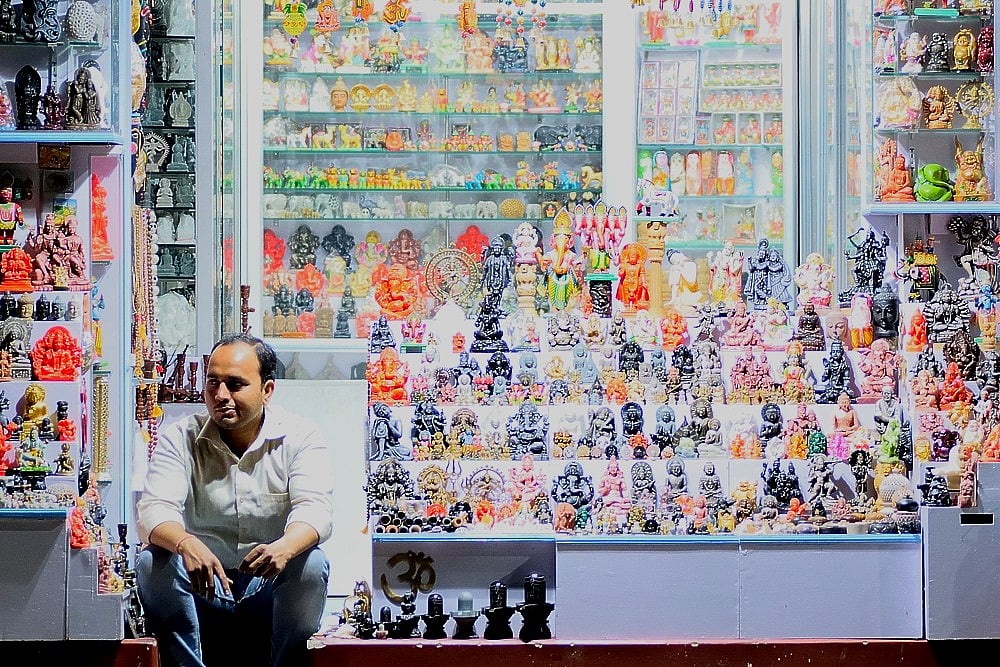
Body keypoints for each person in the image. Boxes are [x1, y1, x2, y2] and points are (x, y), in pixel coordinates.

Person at [135, 333, 334, 667]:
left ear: (267, 390)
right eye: (212, 383)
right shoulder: (180, 438)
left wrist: (284, 548)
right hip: (203, 587)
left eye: (235, 384)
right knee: (152, 563)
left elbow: (315, 509)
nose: (220, 395)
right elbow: (154, 510)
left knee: (311, 564)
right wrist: (185, 543)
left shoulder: (301, 437)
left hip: (267, 586)